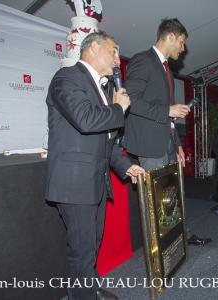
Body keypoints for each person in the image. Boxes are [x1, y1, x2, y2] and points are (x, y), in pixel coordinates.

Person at [45, 32, 145, 300]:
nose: (116, 59)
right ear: (94, 48)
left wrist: (126, 167)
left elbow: (107, 143)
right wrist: (118, 109)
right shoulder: (66, 78)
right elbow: (86, 120)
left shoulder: (103, 89)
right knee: (81, 250)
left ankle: (91, 289)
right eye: (113, 51)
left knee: (91, 245)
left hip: (95, 183)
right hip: (74, 185)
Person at [124, 18, 210, 246]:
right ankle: (162, 252)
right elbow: (130, 99)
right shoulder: (143, 61)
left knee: (172, 195)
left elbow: (168, 117)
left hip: (167, 143)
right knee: (157, 200)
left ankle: (181, 236)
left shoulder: (166, 69)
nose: (183, 49)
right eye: (181, 43)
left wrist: (178, 145)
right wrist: (167, 109)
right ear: (170, 37)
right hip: (150, 146)